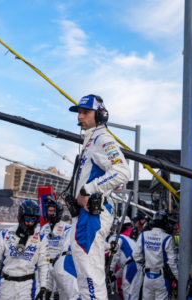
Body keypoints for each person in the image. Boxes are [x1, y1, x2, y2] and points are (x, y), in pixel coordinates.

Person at [68, 94, 131, 300]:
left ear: (101, 114)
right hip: (84, 218)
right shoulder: (90, 141)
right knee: (86, 280)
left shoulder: (102, 139)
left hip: (91, 218)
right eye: (79, 112)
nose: (80, 117)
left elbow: (122, 172)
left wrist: (88, 189)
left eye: (86, 112)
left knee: (90, 280)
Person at [0, 199, 50, 300]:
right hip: (6, 284)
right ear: (20, 217)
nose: (30, 223)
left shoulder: (41, 238)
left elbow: (44, 264)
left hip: (27, 286)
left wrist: (43, 287)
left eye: (33, 219)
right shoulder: (5, 234)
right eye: (27, 219)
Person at [132, 211, 178, 300]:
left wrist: (144, 261)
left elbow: (136, 255)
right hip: (161, 278)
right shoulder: (167, 238)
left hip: (147, 277)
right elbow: (172, 262)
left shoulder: (143, 235)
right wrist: (179, 278)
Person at [40, 199, 71, 296]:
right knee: (45, 290)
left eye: (52, 210)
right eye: (49, 210)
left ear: (58, 211)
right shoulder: (43, 228)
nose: (50, 213)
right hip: (46, 264)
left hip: (59, 263)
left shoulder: (66, 227)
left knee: (59, 291)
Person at [108, 216, 143, 300]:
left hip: (132, 266)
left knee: (128, 294)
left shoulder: (115, 237)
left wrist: (110, 270)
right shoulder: (129, 239)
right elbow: (126, 264)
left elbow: (114, 254)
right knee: (133, 295)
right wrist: (115, 276)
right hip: (138, 266)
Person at [48, 228, 81, 300]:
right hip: (68, 262)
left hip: (59, 261)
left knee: (64, 297)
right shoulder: (87, 226)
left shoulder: (69, 228)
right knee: (77, 296)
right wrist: (110, 246)